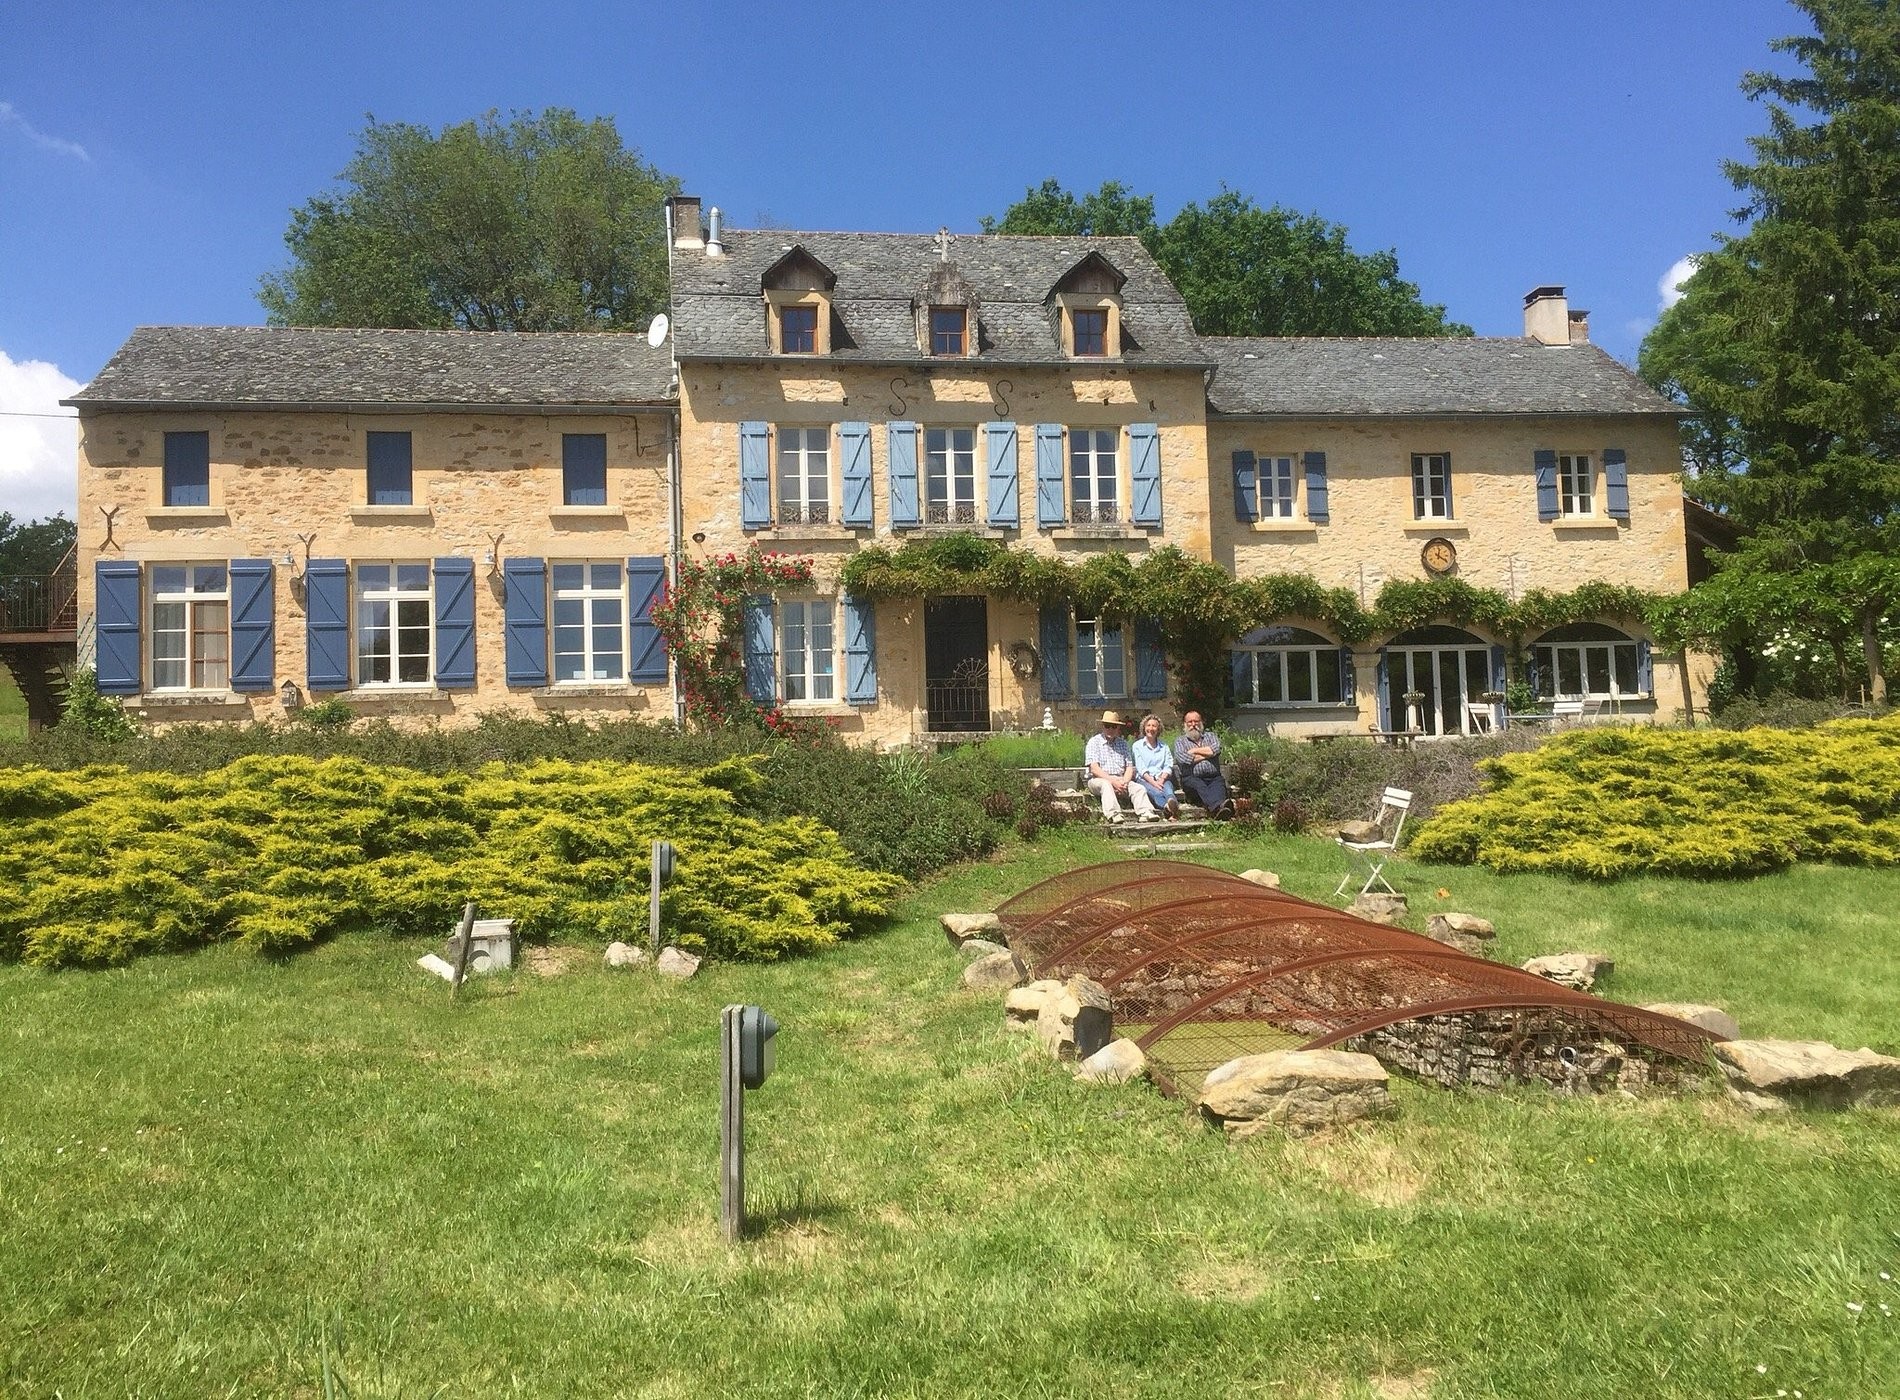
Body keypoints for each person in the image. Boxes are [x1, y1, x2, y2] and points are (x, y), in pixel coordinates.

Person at [1084, 710, 1158, 824]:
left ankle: (1146, 812)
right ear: (1103, 727)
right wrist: (1113, 781)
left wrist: (1124, 782)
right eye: (1107, 726)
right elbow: (1094, 769)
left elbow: (1129, 767)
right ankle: (1114, 814)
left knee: (1139, 788)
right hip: (1098, 780)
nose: (1110, 729)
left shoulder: (1123, 744)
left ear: (1118, 728)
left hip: (1120, 779)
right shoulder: (1094, 742)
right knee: (1106, 785)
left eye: (1113, 726)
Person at [1172, 710, 1234, 818]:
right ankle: (1218, 808)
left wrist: (1194, 751)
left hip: (1213, 776)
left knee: (1219, 786)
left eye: (1196, 721)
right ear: (1185, 724)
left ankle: (1220, 809)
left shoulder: (1210, 736)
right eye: (1190, 722)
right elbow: (1184, 758)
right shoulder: (1180, 741)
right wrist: (1208, 754)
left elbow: (1216, 749)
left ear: (1201, 723)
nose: (1193, 725)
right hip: (1191, 778)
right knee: (1199, 785)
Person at [1130, 713, 1180, 818]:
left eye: (1154, 726)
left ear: (1158, 729)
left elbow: (1168, 764)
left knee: (1169, 790)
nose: (1151, 728)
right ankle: (1168, 808)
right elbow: (1141, 768)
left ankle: (1171, 804)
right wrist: (1154, 783)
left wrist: (1161, 780)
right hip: (1145, 780)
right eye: (1148, 725)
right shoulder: (1137, 746)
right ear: (1144, 728)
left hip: (1162, 778)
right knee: (1156, 793)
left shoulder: (1164, 746)